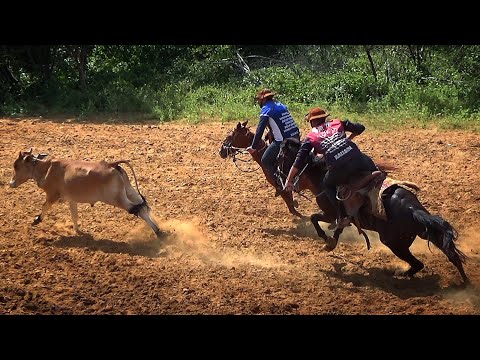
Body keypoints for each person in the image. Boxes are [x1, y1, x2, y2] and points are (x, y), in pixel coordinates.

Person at [283, 107, 378, 228]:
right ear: (324, 118)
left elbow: (299, 161)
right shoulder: (337, 122)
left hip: (338, 167)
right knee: (374, 168)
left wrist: (289, 180)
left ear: (312, 122)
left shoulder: (311, 137)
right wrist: (347, 140)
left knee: (327, 185)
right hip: (357, 157)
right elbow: (360, 128)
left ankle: (342, 216)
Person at [246, 89, 300, 193]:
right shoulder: (280, 105)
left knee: (265, 160)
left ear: (263, 100)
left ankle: (279, 184)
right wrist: (271, 132)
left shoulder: (266, 109)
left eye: (258, 100)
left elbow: (259, 130)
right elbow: (281, 123)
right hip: (296, 136)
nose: (258, 102)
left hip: (284, 141)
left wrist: (253, 147)